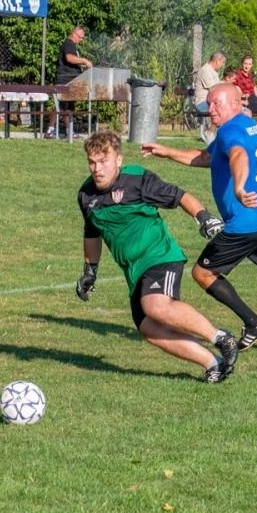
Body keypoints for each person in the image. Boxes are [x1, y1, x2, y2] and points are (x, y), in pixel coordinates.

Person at [142, 83, 257, 357]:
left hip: (245, 225)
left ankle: (253, 322)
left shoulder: (230, 131)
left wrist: (240, 188)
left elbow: (238, 156)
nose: (211, 109)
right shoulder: (245, 123)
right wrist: (167, 152)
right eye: (209, 103)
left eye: (216, 103)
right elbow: (208, 157)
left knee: (203, 273)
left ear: (234, 102)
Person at [74, 130, 239, 384]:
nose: (97, 168)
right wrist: (90, 271)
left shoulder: (136, 180)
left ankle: (221, 338)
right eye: (92, 162)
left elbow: (179, 196)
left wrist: (203, 217)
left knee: (156, 306)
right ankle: (213, 364)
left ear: (118, 160)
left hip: (160, 256)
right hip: (135, 270)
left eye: (103, 161)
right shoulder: (86, 195)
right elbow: (92, 232)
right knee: (148, 328)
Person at [51, 24, 92, 140]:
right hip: (65, 79)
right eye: (81, 37)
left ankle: (70, 131)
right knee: (60, 106)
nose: (81, 40)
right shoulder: (68, 44)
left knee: (69, 106)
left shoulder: (73, 46)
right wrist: (84, 60)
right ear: (75, 34)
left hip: (72, 79)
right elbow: (69, 58)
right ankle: (50, 130)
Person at [190, 50, 225, 141]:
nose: (222, 65)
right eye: (222, 62)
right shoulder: (205, 71)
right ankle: (210, 132)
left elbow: (218, 86)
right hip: (202, 103)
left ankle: (220, 134)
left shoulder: (213, 71)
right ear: (217, 61)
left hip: (211, 102)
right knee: (222, 108)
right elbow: (214, 88)